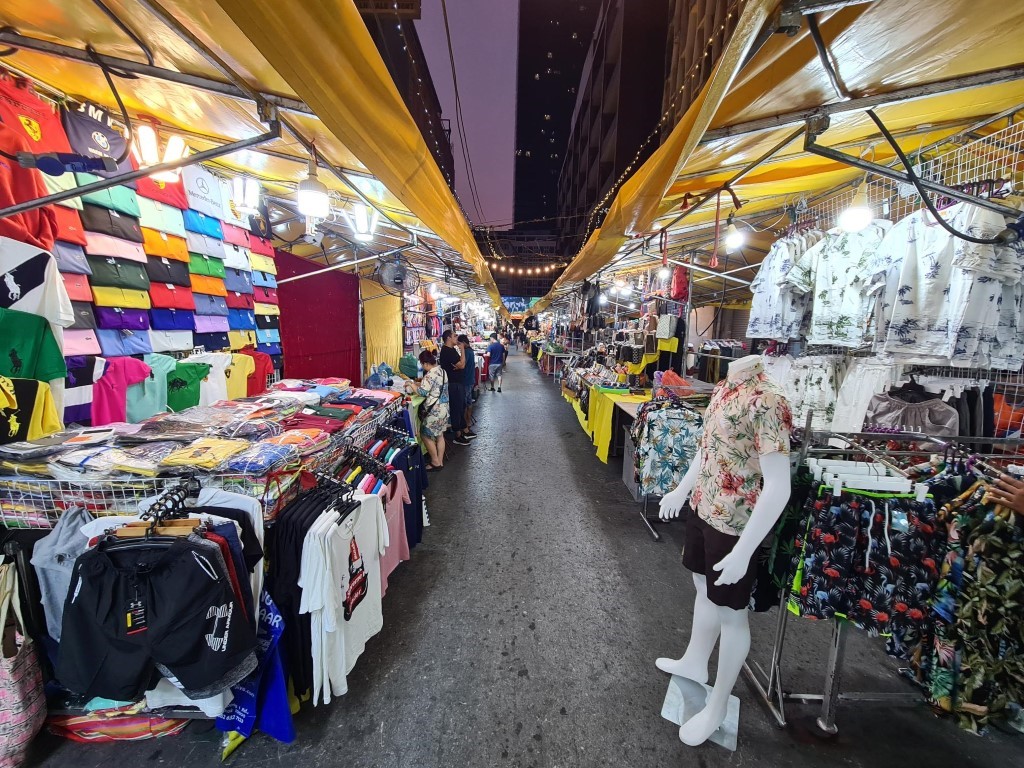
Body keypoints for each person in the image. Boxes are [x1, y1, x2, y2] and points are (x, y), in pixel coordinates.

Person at [415, 350, 449, 471]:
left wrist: (412, 384)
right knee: (440, 435)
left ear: (425, 363)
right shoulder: (442, 371)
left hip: (433, 412)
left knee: (425, 435)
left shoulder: (429, 375)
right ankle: (440, 461)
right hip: (444, 409)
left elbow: (422, 392)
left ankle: (435, 461)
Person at [439, 329, 470, 446]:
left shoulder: (451, 350)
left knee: (460, 407)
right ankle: (457, 435)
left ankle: (462, 431)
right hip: (453, 384)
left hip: (457, 382)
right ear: (448, 338)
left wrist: (460, 363)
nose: (456, 337)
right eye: (454, 335)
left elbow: (461, 364)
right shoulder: (448, 351)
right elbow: (462, 365)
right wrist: (462, 350)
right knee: (456, 409)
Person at [458, 334, 478, 437]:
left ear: (463, 343)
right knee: (469, 402)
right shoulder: (470, 351)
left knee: (465, 403)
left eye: (459, 344)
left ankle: (465, 424)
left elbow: (462, 365)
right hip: (470, 379)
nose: (458, 345)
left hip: (465, 380)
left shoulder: (466, 352)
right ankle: (468, 421)